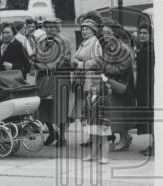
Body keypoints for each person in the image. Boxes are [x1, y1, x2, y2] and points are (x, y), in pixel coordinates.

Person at [31, 17, 73, 147]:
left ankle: (62, 136)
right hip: (43, 78)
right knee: (42, 106)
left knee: (60, 108)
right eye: (46, 27)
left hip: (59, 78)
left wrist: (49, 66)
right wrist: (35, 64)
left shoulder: (64, 41)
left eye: (52, 27)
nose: (49, 29)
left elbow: (65, 59)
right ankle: (52, 132)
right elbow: (33, 56)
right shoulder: (41, 41)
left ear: (58, 28)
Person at [100, 21, 136, 152]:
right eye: (104, 33)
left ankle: (124, 139)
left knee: (120, 113)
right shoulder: (108, 47)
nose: (105, 36)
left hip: (122, 84)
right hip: (111, 83)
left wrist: (104, 67)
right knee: (114, 113)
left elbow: (122, 68)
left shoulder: (123, 48)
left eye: (108, 33)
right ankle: (125, 138)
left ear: (115, 33)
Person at [83, 72, 112, 165]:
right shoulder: (88, 97)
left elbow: (108, 112)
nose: (93, 87)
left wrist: (106, 123)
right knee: (94, 140)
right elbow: (85, 109)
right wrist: (83, 119)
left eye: (96, 85)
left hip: (101, 123)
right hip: (92, 122)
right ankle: (92, 155)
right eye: (92, 85)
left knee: (104, 140)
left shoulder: (104, 98)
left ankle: (105, 157)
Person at [135, 22, 155, 157]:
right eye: (140, 33)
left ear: (150, 35)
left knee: (153, 118)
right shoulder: (144, 48)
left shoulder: (149, 50)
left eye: (145, 33)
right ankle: (153, 145)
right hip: (144, 88)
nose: (142, 35)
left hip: (149, 88)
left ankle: (155, 147)